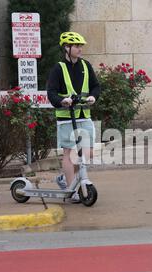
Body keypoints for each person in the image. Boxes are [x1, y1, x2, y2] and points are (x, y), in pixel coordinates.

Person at [47, 32, 100, 203]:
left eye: (80, 46)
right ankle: (71, 191)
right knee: (69, 154)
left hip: (84, 116)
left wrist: (93, 96)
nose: (80, 49)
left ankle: (64, 179)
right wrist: (61, 101)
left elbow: (95, 86)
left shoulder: (85, 66)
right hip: (67, 118)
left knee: (88, 153)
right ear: (67, 48)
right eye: (76, 46)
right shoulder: (59, 68)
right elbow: (51, 93)